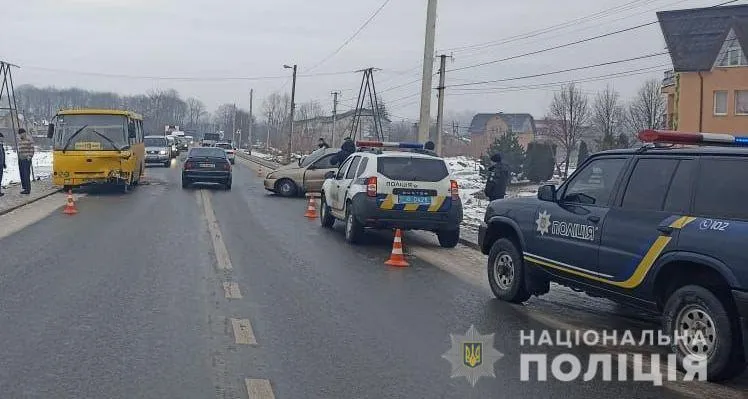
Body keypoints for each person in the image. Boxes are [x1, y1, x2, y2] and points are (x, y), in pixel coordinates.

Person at [17, 128, 34, 195]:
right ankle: (24, 187)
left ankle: (27, 189)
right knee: (22, 174)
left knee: (26, 174)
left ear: (24, 133)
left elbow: (32, 149)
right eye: (19, 134)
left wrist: (29, 156)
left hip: (26, 159)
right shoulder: (20, 140)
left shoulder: (29, 139)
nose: (20, 135)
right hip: (21, 159)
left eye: (21, 133)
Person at [0, 132, 6, 197]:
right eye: (1, 138)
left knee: (0, 178)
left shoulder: (1, 145)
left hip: (1, 164)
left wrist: (4, 163)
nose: (2, 139)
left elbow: (3, 154)